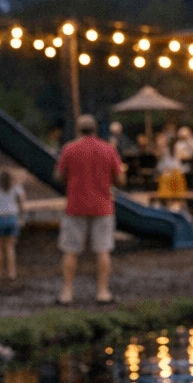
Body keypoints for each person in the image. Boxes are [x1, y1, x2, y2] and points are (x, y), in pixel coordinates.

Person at [54, 114, 124, 305]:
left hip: (75, 206)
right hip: (102, 206)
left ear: (77, 129)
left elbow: (58, 176)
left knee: (70, 251)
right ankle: (102, 292)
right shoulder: (108, 149)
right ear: (96, 129)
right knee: (102, 250)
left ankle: (67, 293)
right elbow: (121, 180)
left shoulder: (69, 148)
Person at [0, 168, 26, 282]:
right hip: (12, 218)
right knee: (10, 247)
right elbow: (22, 202)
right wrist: (21, 216)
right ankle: (12, 273)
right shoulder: (16, 187)